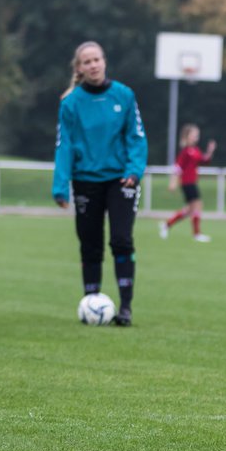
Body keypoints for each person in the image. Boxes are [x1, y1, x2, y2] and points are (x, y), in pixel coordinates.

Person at [51, 41, 148, 326]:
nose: (93, 65)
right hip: (86, 182)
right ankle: (91, 301)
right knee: (90, 244)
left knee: (121, 240)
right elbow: (64, 145)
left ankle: (126, 307)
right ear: (79, 68)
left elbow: (136, 136)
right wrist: (60, 185)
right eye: (87, 61)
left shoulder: (124, 95)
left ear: (104, 62)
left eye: (97, 59)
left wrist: (134, 170)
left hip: (121, 180)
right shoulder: (70, 103)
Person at [160, 124, 216, 242]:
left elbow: (204, 161)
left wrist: (210, 152)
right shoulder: (186, 152)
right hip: (187, 182)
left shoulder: (195, 150)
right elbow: (177, 167)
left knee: (191, 209)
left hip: (192, 182)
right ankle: (196, 234)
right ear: (187, 136)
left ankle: (167, 224)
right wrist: (173, 182)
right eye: (194, 135)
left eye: (197, 135)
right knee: (197, 206)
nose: (196, 137)